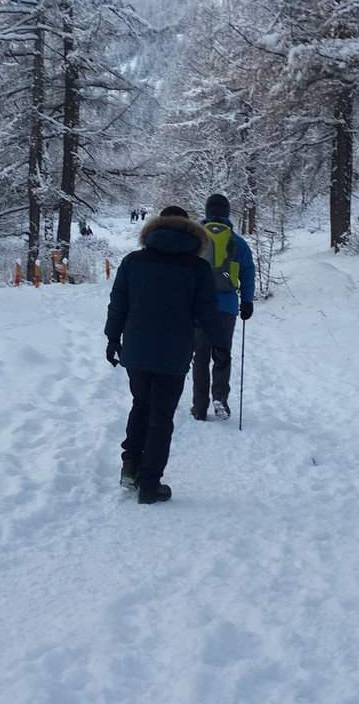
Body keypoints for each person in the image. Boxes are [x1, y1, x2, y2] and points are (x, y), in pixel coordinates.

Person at [105, 205, 231, 504]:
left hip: (136, 349)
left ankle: (130, 464)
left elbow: (118, 303)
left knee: (140, 405)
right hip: (173, 353)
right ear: (190, 232)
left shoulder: (133, 261)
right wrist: (220, 345)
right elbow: (207, 312)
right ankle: (150, 484)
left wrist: (112, 338)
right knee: (161, 418)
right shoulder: (197, 268)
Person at [191, 193, 256, 421]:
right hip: (227, 306)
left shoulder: (195, 238)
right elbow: (248, 271)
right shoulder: (238, 242)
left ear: (207, 211)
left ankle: (199, 406)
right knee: (222, 353)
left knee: (200, 356)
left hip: (199, 306)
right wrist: (247, 301)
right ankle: (220, 396)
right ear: (227, 213)